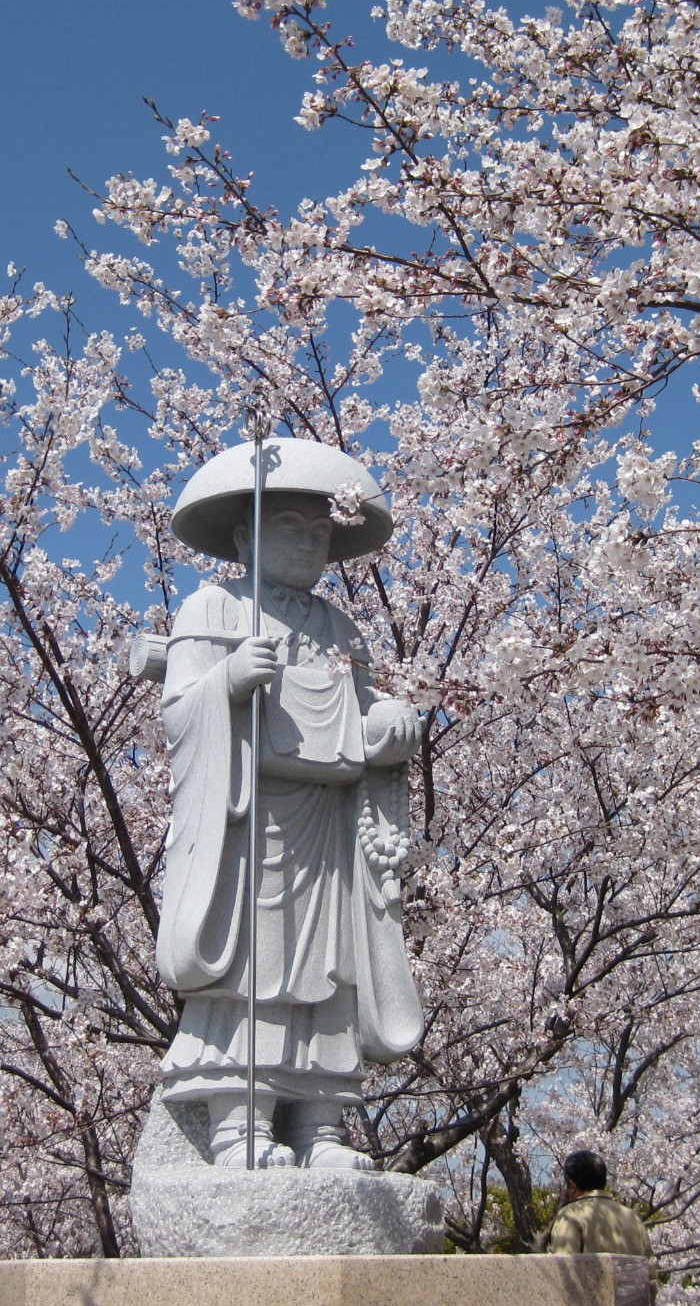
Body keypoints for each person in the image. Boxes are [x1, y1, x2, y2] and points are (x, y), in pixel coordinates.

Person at [152, 438, 425, 1170]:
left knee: (329, 974)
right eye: (288, 529)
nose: (306, 544)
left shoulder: (339, 628)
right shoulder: (214, 606)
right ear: (245, 536)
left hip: (327, 829)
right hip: (250, 823)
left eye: (318, 532)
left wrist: (388, 727)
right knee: (253, 970)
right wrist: (230, 679)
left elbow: (361, 718)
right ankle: (241, 1124)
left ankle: (323, 1127)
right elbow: (181, 714)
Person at [546, 1150, 653, 1258]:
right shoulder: (632, 1217)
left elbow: (564, 1267)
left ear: (573, 1185)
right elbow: (650, 1271)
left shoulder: (571, 1214)